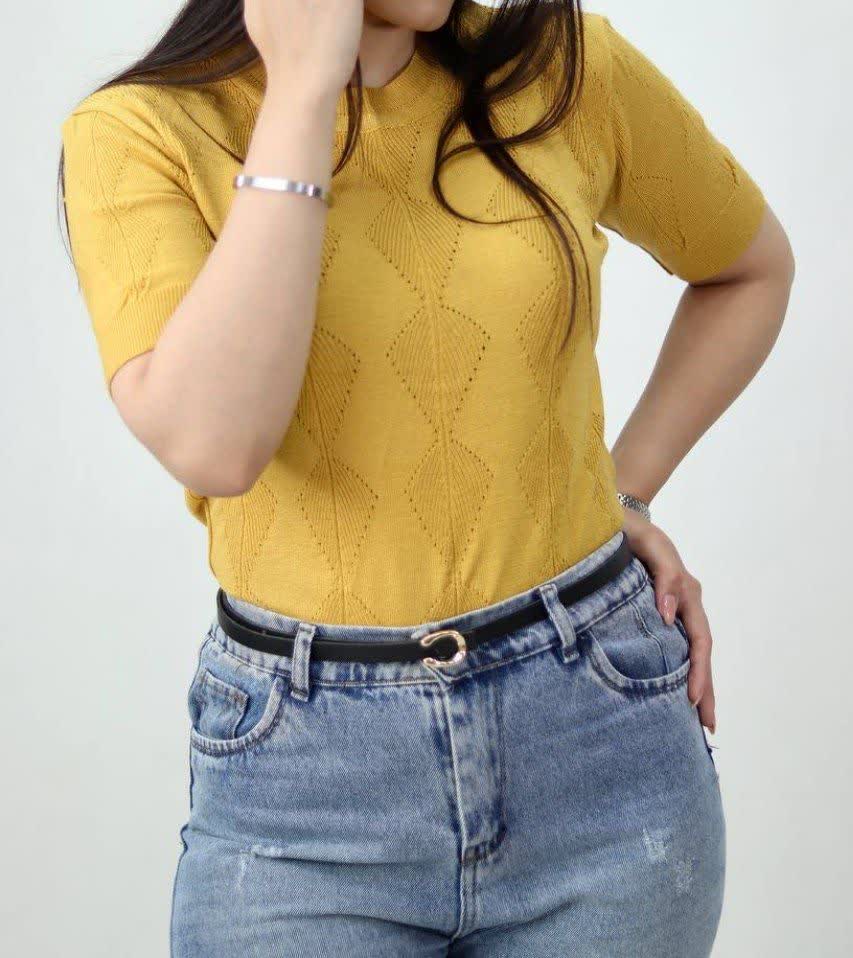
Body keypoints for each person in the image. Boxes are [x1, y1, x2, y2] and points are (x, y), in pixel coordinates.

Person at [58, 1, 794, 955]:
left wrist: (620, 492)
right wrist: (303, 91)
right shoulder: (141, 133)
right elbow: (216, 446)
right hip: (302, 799)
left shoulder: (559, 66)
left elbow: (747, 269)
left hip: (600, 745)